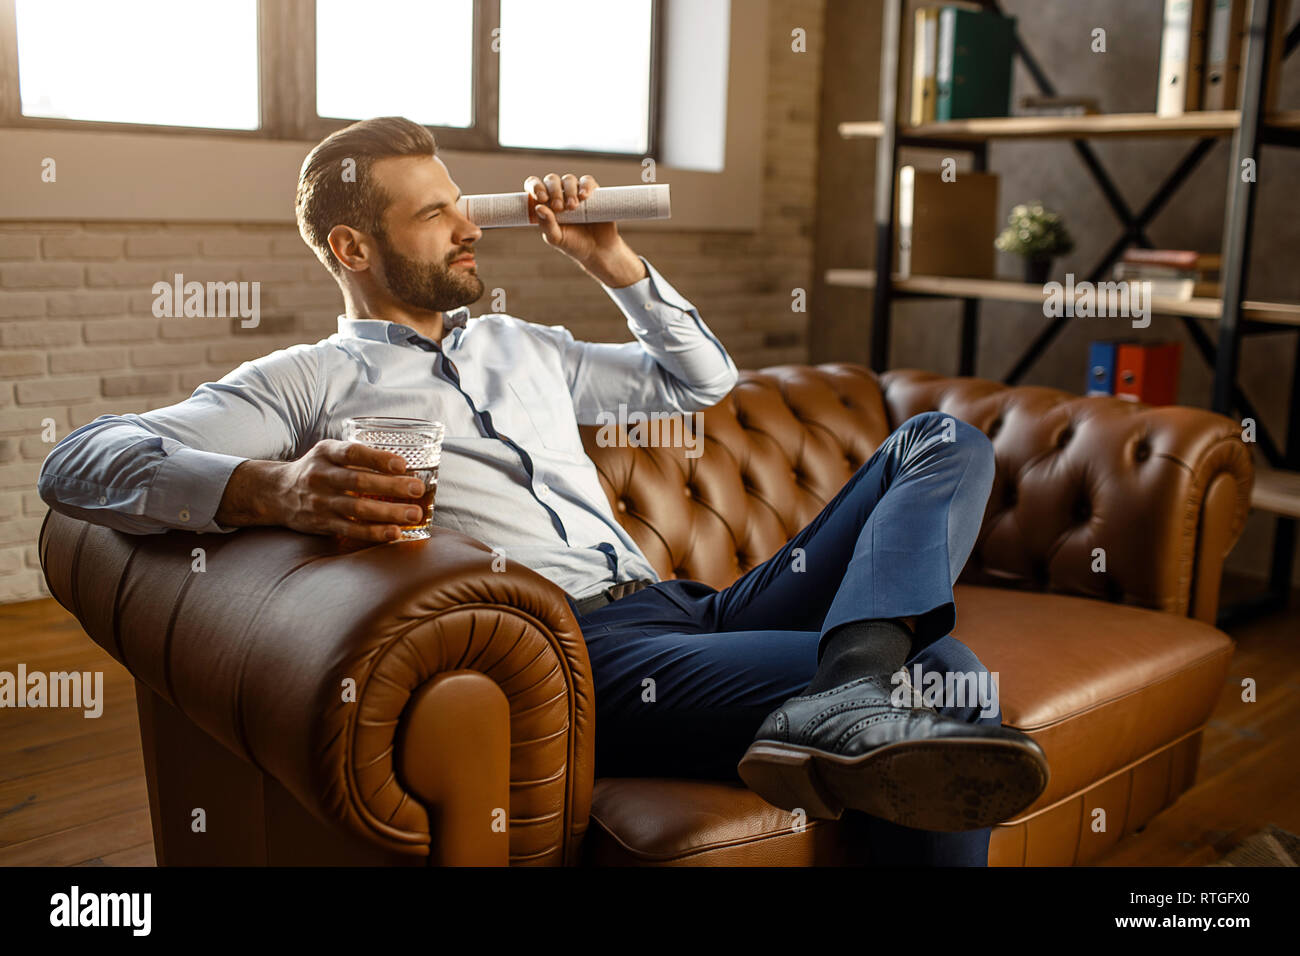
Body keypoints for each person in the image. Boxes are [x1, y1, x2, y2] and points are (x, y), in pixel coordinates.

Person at [37, 116, 1047, 865]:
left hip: (696, 607)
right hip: (576, 648)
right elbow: (78, 461)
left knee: (935, 438)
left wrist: (614, 262)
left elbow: (702, 385)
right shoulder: (310, 381)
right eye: (433, 214)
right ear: (353, 247)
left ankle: (855, 670)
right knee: (946, 675)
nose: (467, 228)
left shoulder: (524, 345)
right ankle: (867, 683)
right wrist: (275, 487)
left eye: (459, 203)